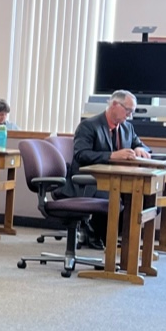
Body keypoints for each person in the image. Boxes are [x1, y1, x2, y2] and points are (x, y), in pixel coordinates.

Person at [63, 89, 151, 245]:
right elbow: (81, 155)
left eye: (132, 112)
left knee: (145, 195)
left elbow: (140, 144)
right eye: (128, 110)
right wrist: (112, 155)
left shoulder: (127, 128)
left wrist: (140, 149)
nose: (129, 116)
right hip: (90, 181)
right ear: (115, 105)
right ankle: (98, 235)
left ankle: (125, 241)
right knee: (113, 197)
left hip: (118, 179)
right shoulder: (89, 126)